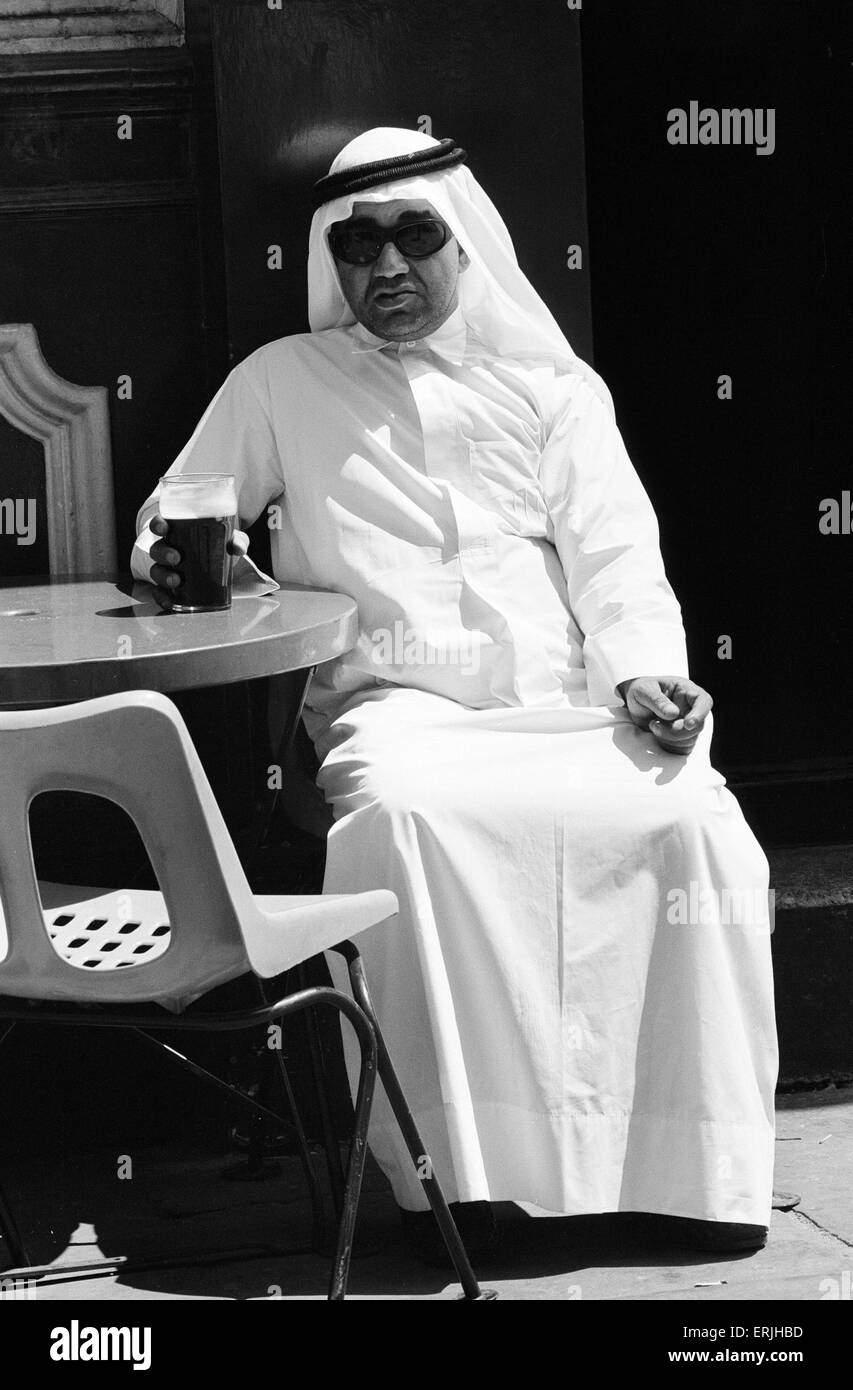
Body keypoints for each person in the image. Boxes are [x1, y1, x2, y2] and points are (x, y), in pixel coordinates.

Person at [132, 127, 777, 1261]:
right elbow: (170, 525)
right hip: (396, 714)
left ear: (465, 243)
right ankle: (459, 1182)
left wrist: (647, 675)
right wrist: (194, 559)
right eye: (360, 244)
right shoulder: (282, 381)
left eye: (414, 237)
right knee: (411, 824)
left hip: (568, 708)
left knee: (688, 820)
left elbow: (617, 557)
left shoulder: (552, 388)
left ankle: (683, 1170)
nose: (386, 267)